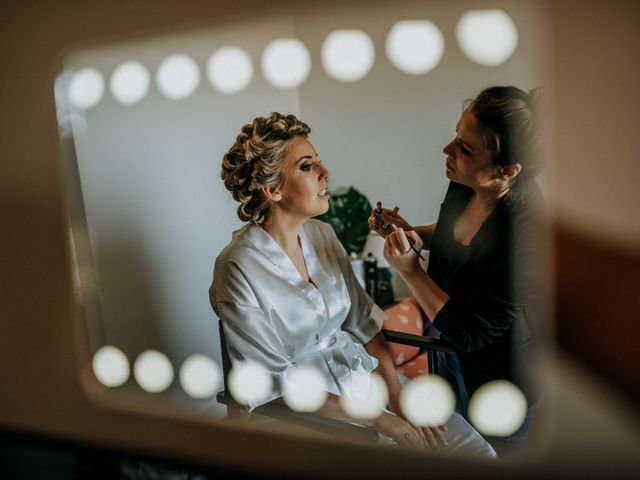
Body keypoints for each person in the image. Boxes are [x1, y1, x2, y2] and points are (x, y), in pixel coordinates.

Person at [210, 112, 495, 457]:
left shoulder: (323, 235)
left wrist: (397, 397)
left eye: (318, 161)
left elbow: (365, 323)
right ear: (272, 189)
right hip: (302, 419)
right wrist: (383, 421)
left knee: (477, 457)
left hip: (363, 383)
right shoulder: (237, 267)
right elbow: (272, 382)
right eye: (306, 166)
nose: (325, 172)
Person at [369, 86, 544, 451]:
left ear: (507, 171)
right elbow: (452, 234)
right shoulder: (465, 184)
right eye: (456, 135)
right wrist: (409, 233)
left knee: (496, 457)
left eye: (465, 149)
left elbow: (471, 334)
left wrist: (409, 270)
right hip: (445, 351)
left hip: (500, 375)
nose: (447, 151)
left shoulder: (526, 237)